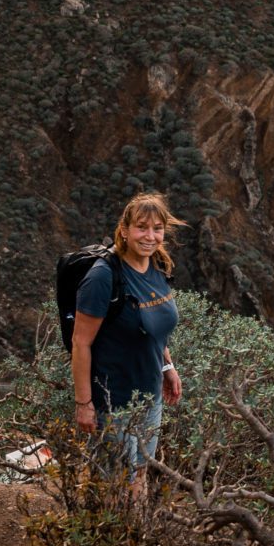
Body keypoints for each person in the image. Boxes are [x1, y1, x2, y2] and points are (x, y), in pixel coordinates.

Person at [70, 191, 184, 481]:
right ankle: (109, 527)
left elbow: (154, 329)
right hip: (114, 401)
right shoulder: (103, 277)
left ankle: (137, 528)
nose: (150, 236)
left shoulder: (157, 269)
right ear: (124, 230)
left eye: (157, 229)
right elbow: (80, 342)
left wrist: (167, 367)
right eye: (141, 227)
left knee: (141, 473)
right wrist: (84, 404)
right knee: (116, 482)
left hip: (150, 397)